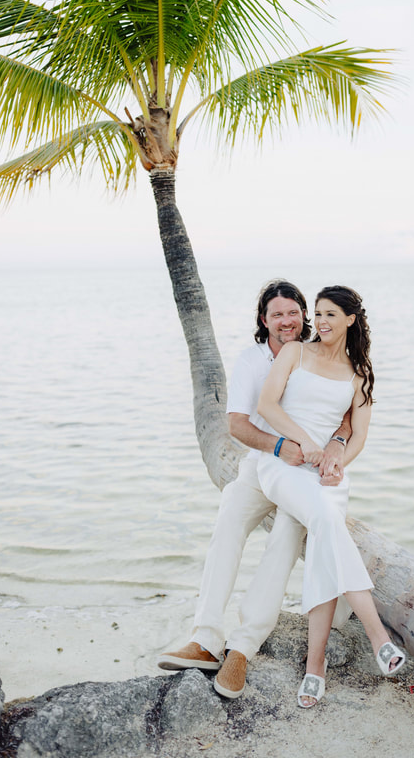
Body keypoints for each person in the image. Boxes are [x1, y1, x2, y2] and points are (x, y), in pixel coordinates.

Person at [158, 280, 351, 698]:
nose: (287, 321)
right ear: (264, 321)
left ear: (304, 314)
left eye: (294, 312)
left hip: (306, 474)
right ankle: (206, 636)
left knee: (284, 536)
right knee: (228, 520)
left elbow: (347, 413)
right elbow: (237, 424)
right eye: (277, 314)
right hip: (262, 464)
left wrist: (336, 445)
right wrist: (279, 445)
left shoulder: (324, 353)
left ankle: (243, 647)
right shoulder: (252, 360)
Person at [257, 285, 406, 708]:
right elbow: (268, 405)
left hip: (327, 474)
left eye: (329, 315)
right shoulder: (294, 354)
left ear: (350, 320)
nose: (319, 322)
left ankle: (314, 665)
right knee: (326, 520)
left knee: (325, 535)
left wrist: (339, 462)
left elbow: (359, 435)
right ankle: (378, 636)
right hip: (285, 465)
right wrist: (309, 445)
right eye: (317, 314)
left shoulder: (359, 371)